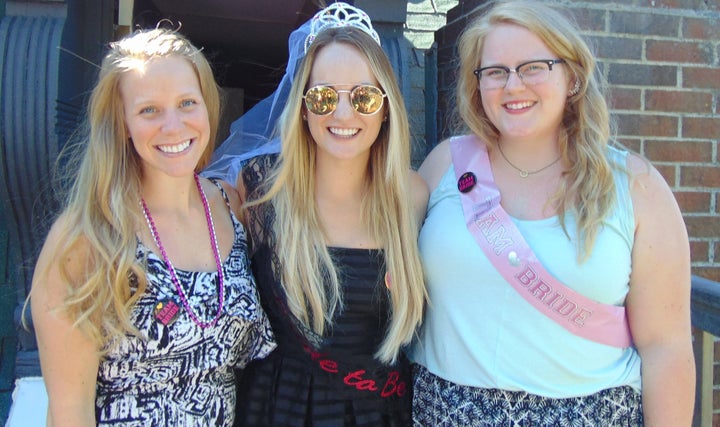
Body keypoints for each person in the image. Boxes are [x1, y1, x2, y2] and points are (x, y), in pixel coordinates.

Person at [410, 1, 695, 426]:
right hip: (445, 413)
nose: (513, 85)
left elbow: (666, 348)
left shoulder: (637, 187)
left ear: (573, 76)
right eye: (495, 71)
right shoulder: (443, 168)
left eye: (533, 67)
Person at [29, 27, 275, 426]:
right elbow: (69, 411)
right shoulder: (88, 237)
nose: (174, 125)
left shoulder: (232, 205)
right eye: (149, 110)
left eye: (186, 103)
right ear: (122, 122)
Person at [207, 3, 428, 425]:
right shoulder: (259, 189)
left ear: (385, 108)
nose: (343, 114)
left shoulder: (411, 196)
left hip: (380, 412)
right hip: (279, 408)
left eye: (363, 97)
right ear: (303, 107)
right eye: (324, 97)